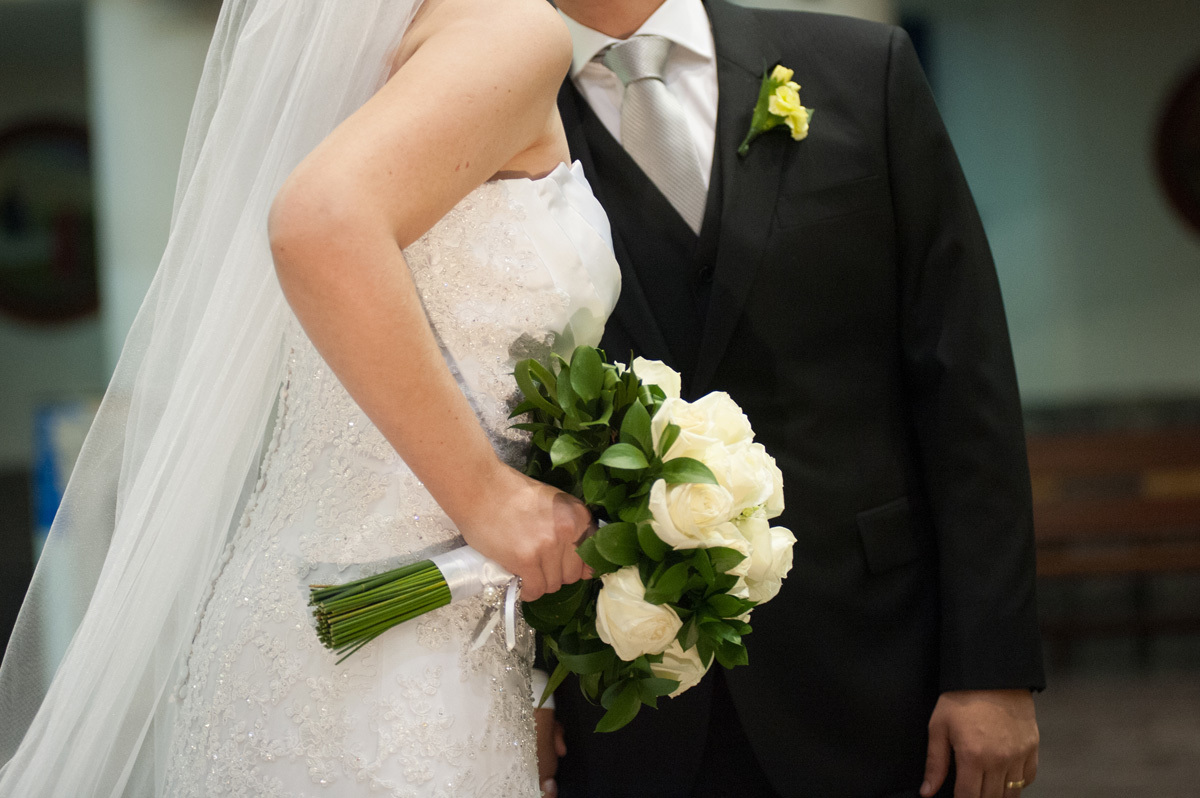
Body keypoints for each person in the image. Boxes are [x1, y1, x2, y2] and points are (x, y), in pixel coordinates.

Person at [0, 0, 619, 794]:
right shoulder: (507, 28)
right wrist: (487, 497)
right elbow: (319, 223)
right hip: (398, 656)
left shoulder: (349, 58)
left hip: (324, 615)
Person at [538, 1, 1045, 797]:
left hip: (874, 661)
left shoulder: (863, 70)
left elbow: (963, 377)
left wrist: (992, 666)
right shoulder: (495, 115)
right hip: (627, 697)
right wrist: (528, 685)